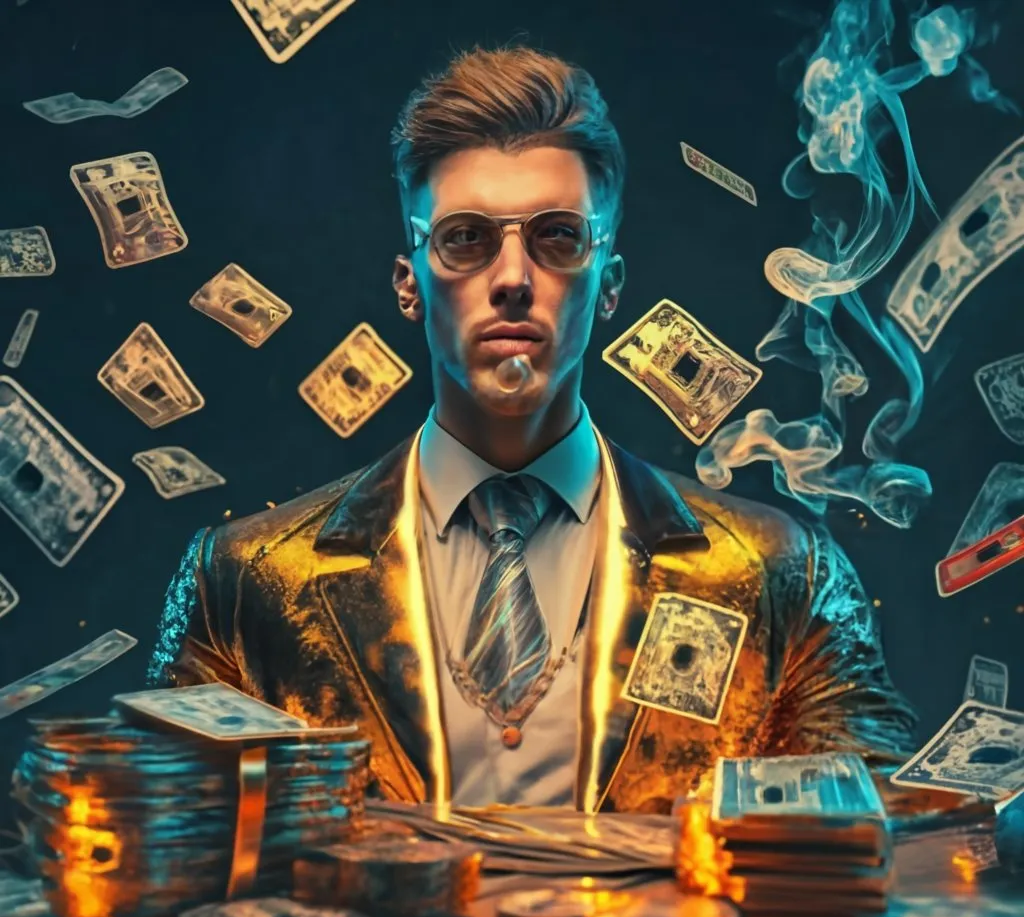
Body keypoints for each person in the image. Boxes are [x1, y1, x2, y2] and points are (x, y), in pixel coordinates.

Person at [147, 45, 918, 814]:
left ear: (608, 285)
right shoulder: (241, 582)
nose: (513, 277)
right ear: (408, 283)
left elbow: (880, 835)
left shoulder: (779, 574)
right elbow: (156, 836)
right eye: (466, 238)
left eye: (556, 237)